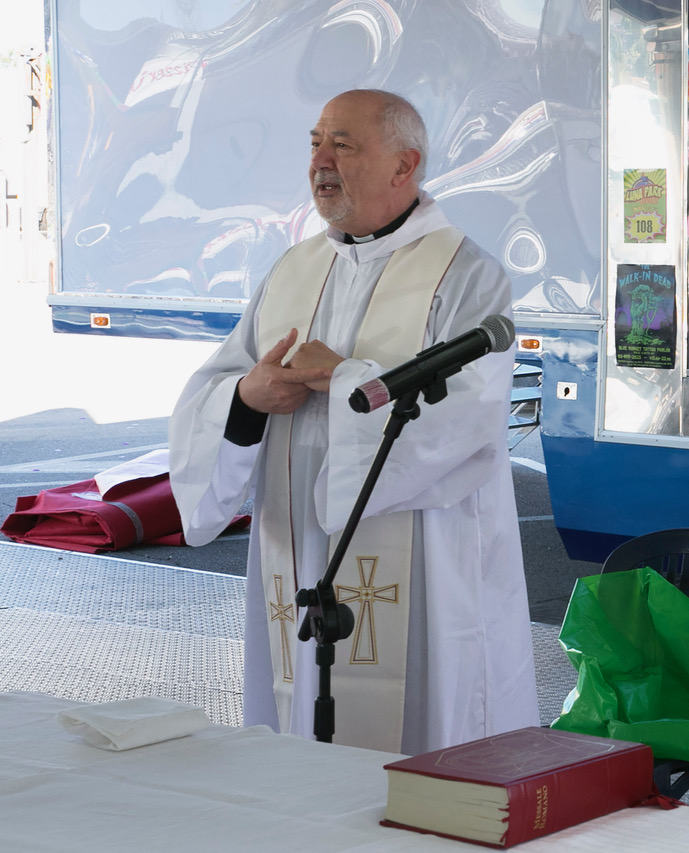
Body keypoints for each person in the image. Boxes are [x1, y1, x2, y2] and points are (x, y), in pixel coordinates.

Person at [169, 89, 539, 756]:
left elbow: (468, 422)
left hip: (424, 564)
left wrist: (341, 378)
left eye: (343, 144)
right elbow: (220, 384)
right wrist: (249, 396)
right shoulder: (293, 267)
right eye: (315, 142)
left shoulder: (466, 274)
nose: (320, 161)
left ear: (405, 165)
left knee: (419, 734)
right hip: (299, 552)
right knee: (298, 718)